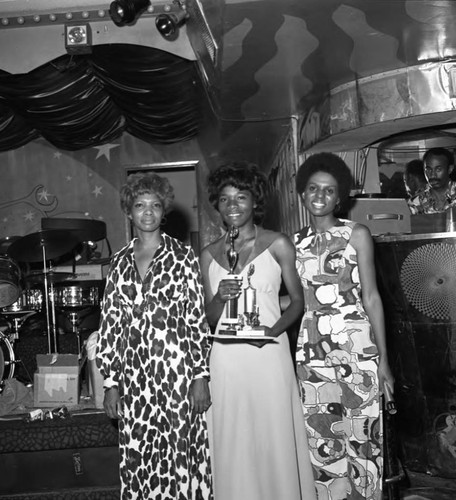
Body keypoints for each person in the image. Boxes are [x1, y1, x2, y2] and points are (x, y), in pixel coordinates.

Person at [200, 161, 316, 500]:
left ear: (255, 202)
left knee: (273, 434)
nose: (232, 206)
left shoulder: (278, 243)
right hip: (225, 358)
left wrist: (272, 331)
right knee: (232, 437)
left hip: (268, 352)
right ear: (217, 205)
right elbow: (207, 316)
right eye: (225, 199)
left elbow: (297, 301)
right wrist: (220, 297)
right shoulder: (208, 255)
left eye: (241, 198)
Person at [95, 172, 213, 500]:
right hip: (134, 377)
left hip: (178, 372)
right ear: (129, 211)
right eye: (140, 205)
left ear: (164, 212)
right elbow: (111, 324)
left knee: (183, 454)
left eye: (155, 205)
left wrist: (199, 376)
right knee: (140, 456)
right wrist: (110, 384)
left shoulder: (183, 256)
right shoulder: (118, 263)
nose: (148, 211)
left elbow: (195, 319)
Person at [293, 152, 394, 500]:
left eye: (329, 190)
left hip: (358, 352)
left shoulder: (357, 235)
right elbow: (294, 302)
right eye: (313, 189)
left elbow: (373, 299)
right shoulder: (292, 245)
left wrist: (384, 361)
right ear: (302, 194)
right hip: (312, 356)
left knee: (363, 442)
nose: (320, 196)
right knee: (322, 443)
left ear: (340, 197)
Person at [407, 147, 456, 216]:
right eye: (429, 169)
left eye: (438, 169)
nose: (432, 175)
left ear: (450, 169)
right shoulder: (416, 201)